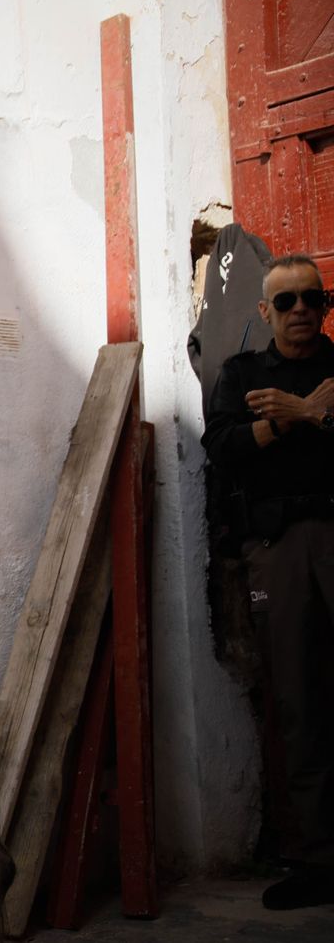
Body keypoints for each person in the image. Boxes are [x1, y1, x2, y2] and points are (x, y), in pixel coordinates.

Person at [203, 253, 334, 910]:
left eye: (313, 299)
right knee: (299, 700)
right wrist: (289, 417)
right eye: (286, 302)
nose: (301, 311)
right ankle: (315, 860)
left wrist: (309, 413)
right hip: (279, 550)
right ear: (265, 312)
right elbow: (222, 448)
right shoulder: (243, 374)